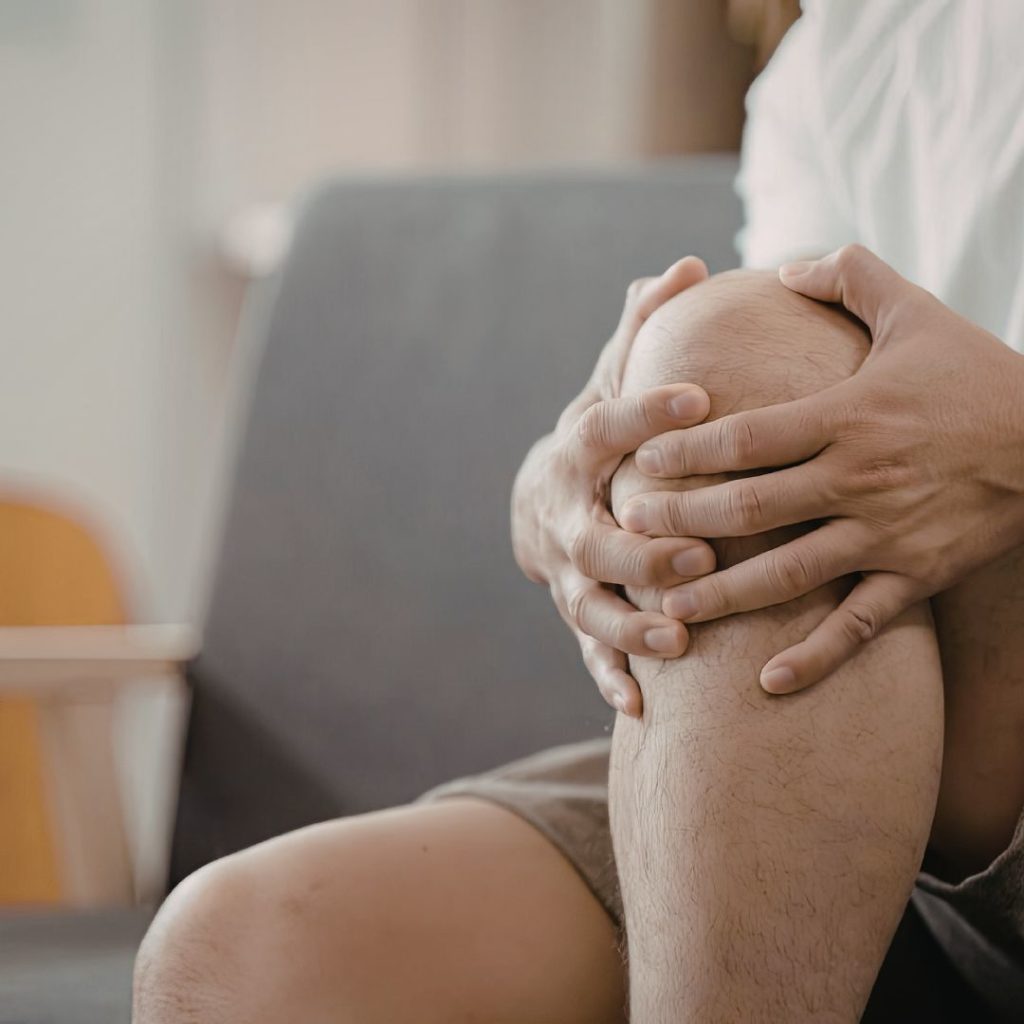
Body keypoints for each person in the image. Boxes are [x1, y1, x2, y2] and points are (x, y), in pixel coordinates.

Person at [133, 3, 1024, 1021]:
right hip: (854, 750)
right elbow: (790, 375)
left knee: (732, 356)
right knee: (241, 954)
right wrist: (574, 490)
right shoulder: (843, 52)